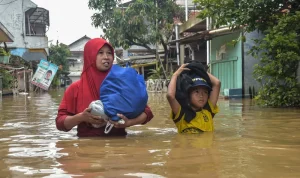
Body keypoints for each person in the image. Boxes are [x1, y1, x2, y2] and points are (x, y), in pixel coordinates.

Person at [56, 38, 153, 137]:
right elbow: (60, 123)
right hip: (86, 148)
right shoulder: (75, 88)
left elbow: (147, 112)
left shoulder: (121, 83)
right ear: (90, 56)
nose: (106, 57)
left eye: (109, 53)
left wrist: (129, 122)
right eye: (100, 53)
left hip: (119, 146)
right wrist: (81, 117)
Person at [166, 63, 221, 133]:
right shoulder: (181, 113)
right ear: (188, 94)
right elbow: (170, 96)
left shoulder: (208, 110)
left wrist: (199, 70)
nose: (201, 95)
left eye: (205, 92)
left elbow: (217, 83)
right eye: (197, 91)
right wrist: (175, 75)